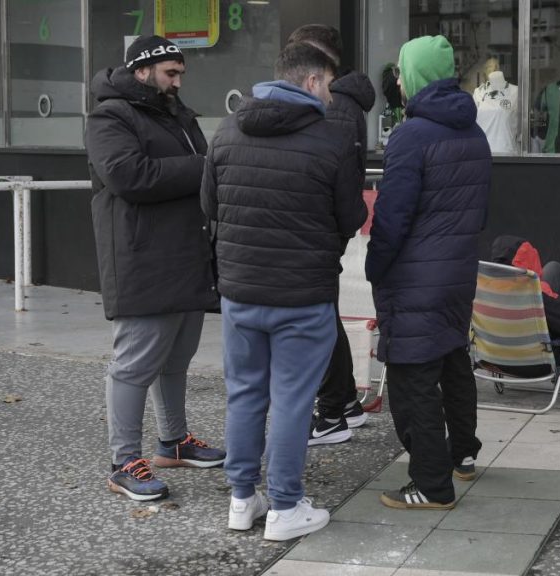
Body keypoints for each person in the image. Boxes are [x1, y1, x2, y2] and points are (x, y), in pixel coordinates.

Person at [201, 43, 365, 539]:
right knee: (293, 399)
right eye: (330, 87)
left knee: (245, 394)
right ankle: (286, 507)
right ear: (312, 82)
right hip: (303, 295)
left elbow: (209, 204)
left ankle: (241, 499)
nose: (333, 99)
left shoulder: (226, 130)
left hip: (240, 293)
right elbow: (351, 217)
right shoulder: (330, 140)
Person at [86, 35, 225, 502]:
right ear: (142, 70)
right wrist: (201, 167)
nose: (179, 81)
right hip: (142, 258)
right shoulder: (110, 115)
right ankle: (123, 461)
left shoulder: (176, 114)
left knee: (176, 358)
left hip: (186, 254)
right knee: (134, 364)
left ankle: (174, 442)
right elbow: (129, 176)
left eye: (181, 73)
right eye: (171, 73)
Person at [366, 35, 489, 510]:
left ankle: (431, 484)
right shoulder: (472, 133)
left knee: (412, 375)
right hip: (457, 272)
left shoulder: (410, 135)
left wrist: (375, 266)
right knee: (453, 361)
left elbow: (392, 217)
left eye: (400, 73)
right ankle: (463, 455)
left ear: (414, 77)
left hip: (414, 275)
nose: (396, 82)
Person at [286, 25, 376, 447]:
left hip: (319, 227)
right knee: (326, 316)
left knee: (320, 319)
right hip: (326, 225)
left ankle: (333, 409)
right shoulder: (344, 103)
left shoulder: (335, 105)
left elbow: (330, 173)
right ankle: (345, 405)